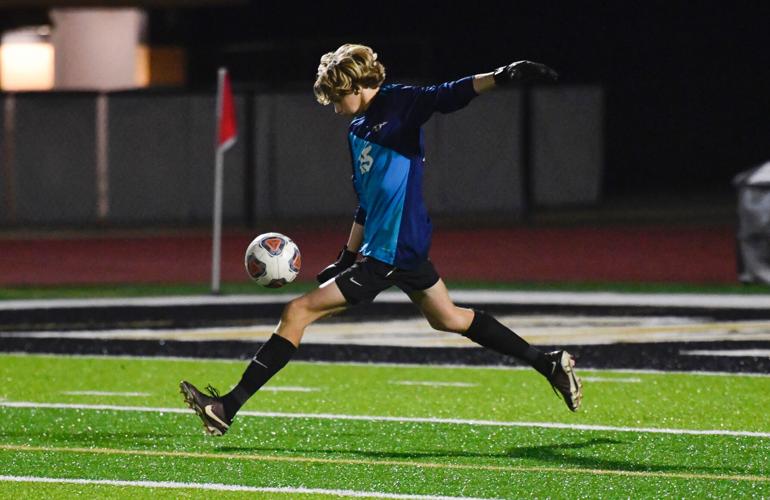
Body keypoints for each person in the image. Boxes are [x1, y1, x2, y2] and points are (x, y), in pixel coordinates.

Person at [181, 44, 582, 436]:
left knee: (297, 312)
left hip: (394, 248)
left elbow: (450, 94)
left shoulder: (399, 103)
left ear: (357, 87)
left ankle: (226, 408)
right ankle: (547, 362)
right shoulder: (356, 130)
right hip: (393, 248)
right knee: (450, 318)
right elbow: (367, 202)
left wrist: (502, 75)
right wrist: (346, 255)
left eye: (339, 98)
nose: (336, 108)